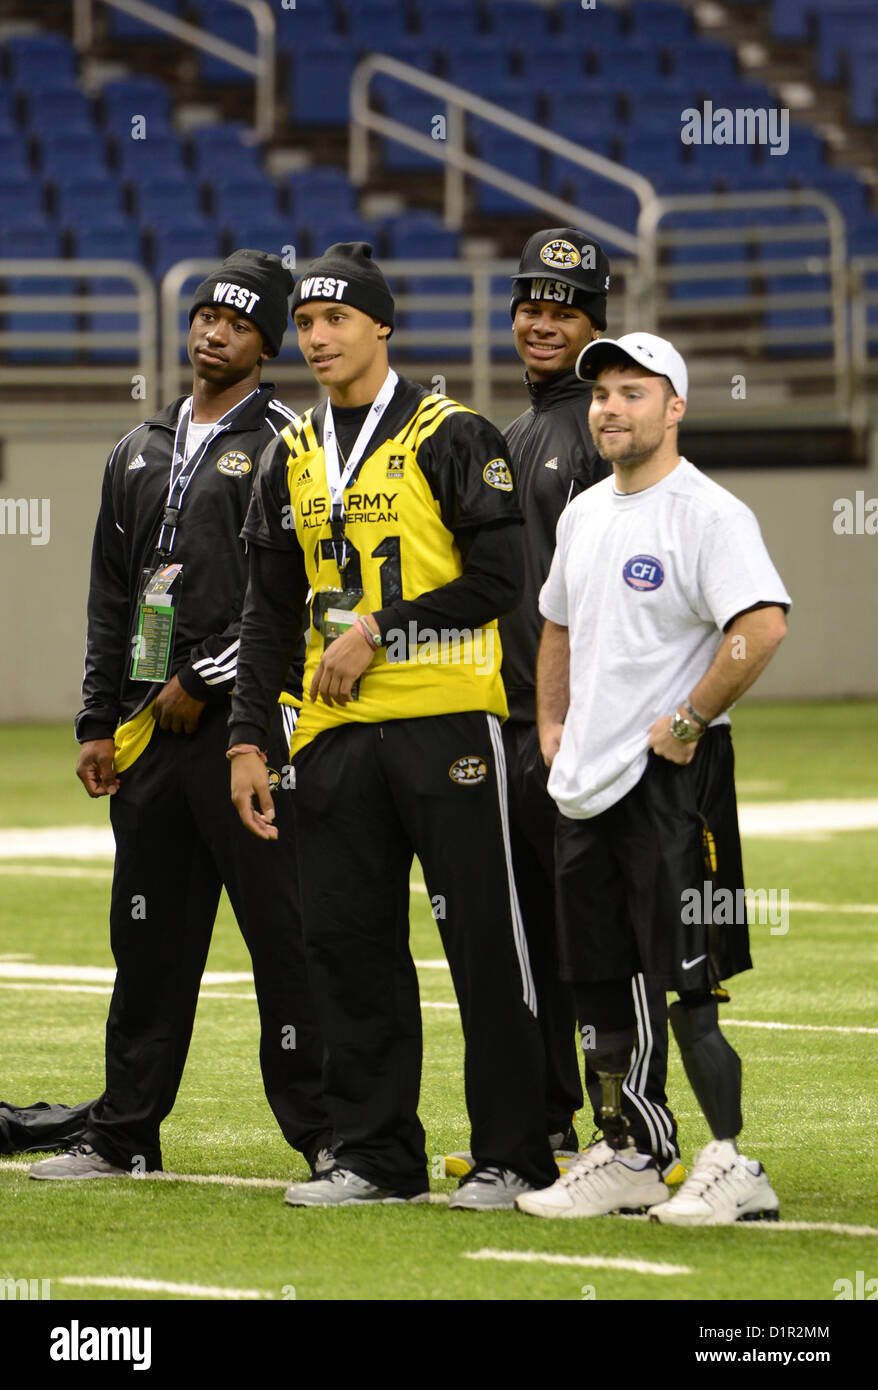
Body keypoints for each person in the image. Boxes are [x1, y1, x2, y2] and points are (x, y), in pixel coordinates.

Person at [228, 241, 558, 1209]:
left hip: (447, 723)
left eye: (337, 319)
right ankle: (374, 1152)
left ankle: (513, 1151)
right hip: (330, 738)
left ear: (382, 325)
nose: (318, 336)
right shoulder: (290, 451)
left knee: (486, 945)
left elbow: (502, 583)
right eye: (307, 323)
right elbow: (266, 611)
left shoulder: (453, 434)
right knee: (346, 944)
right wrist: (250, 737)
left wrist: (382, 627)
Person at [30, 250, 331, 1181]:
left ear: (266, 343)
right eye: (207, 315)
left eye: (238, 323)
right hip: (148, 732)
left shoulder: (289, 440)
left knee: (285, 935)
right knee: (147, 936)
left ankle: (326, 1135)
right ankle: (123, 1133)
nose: (214, 332)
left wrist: (205, 679)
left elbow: (290, 595)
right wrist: (94, 718)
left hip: (245, 729)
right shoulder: (137, 447)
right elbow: (111, 595)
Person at [517, 332, 790, 1224]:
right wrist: (554, 725)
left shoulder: (709, 514)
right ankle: (635, 1151)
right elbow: (555, 625)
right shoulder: (586, 513)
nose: (610, 407)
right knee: (598, 984)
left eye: (634, 393)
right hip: (585, 785)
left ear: (675, 408)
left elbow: (760, 626)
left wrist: (687, 720)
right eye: (601, 393)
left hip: (676, 784)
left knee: (690, 987)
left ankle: (734, 1163)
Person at [447, 229, 683, 1183]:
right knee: (533, 940)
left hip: (589, 728)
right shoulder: (511, 433)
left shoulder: (601, 429)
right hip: (512, 723)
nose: (541, 321)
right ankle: (546, 1131)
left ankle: (629, 1131)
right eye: (528, 305)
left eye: (563, 306)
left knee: (604, 937)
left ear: (596, 321)